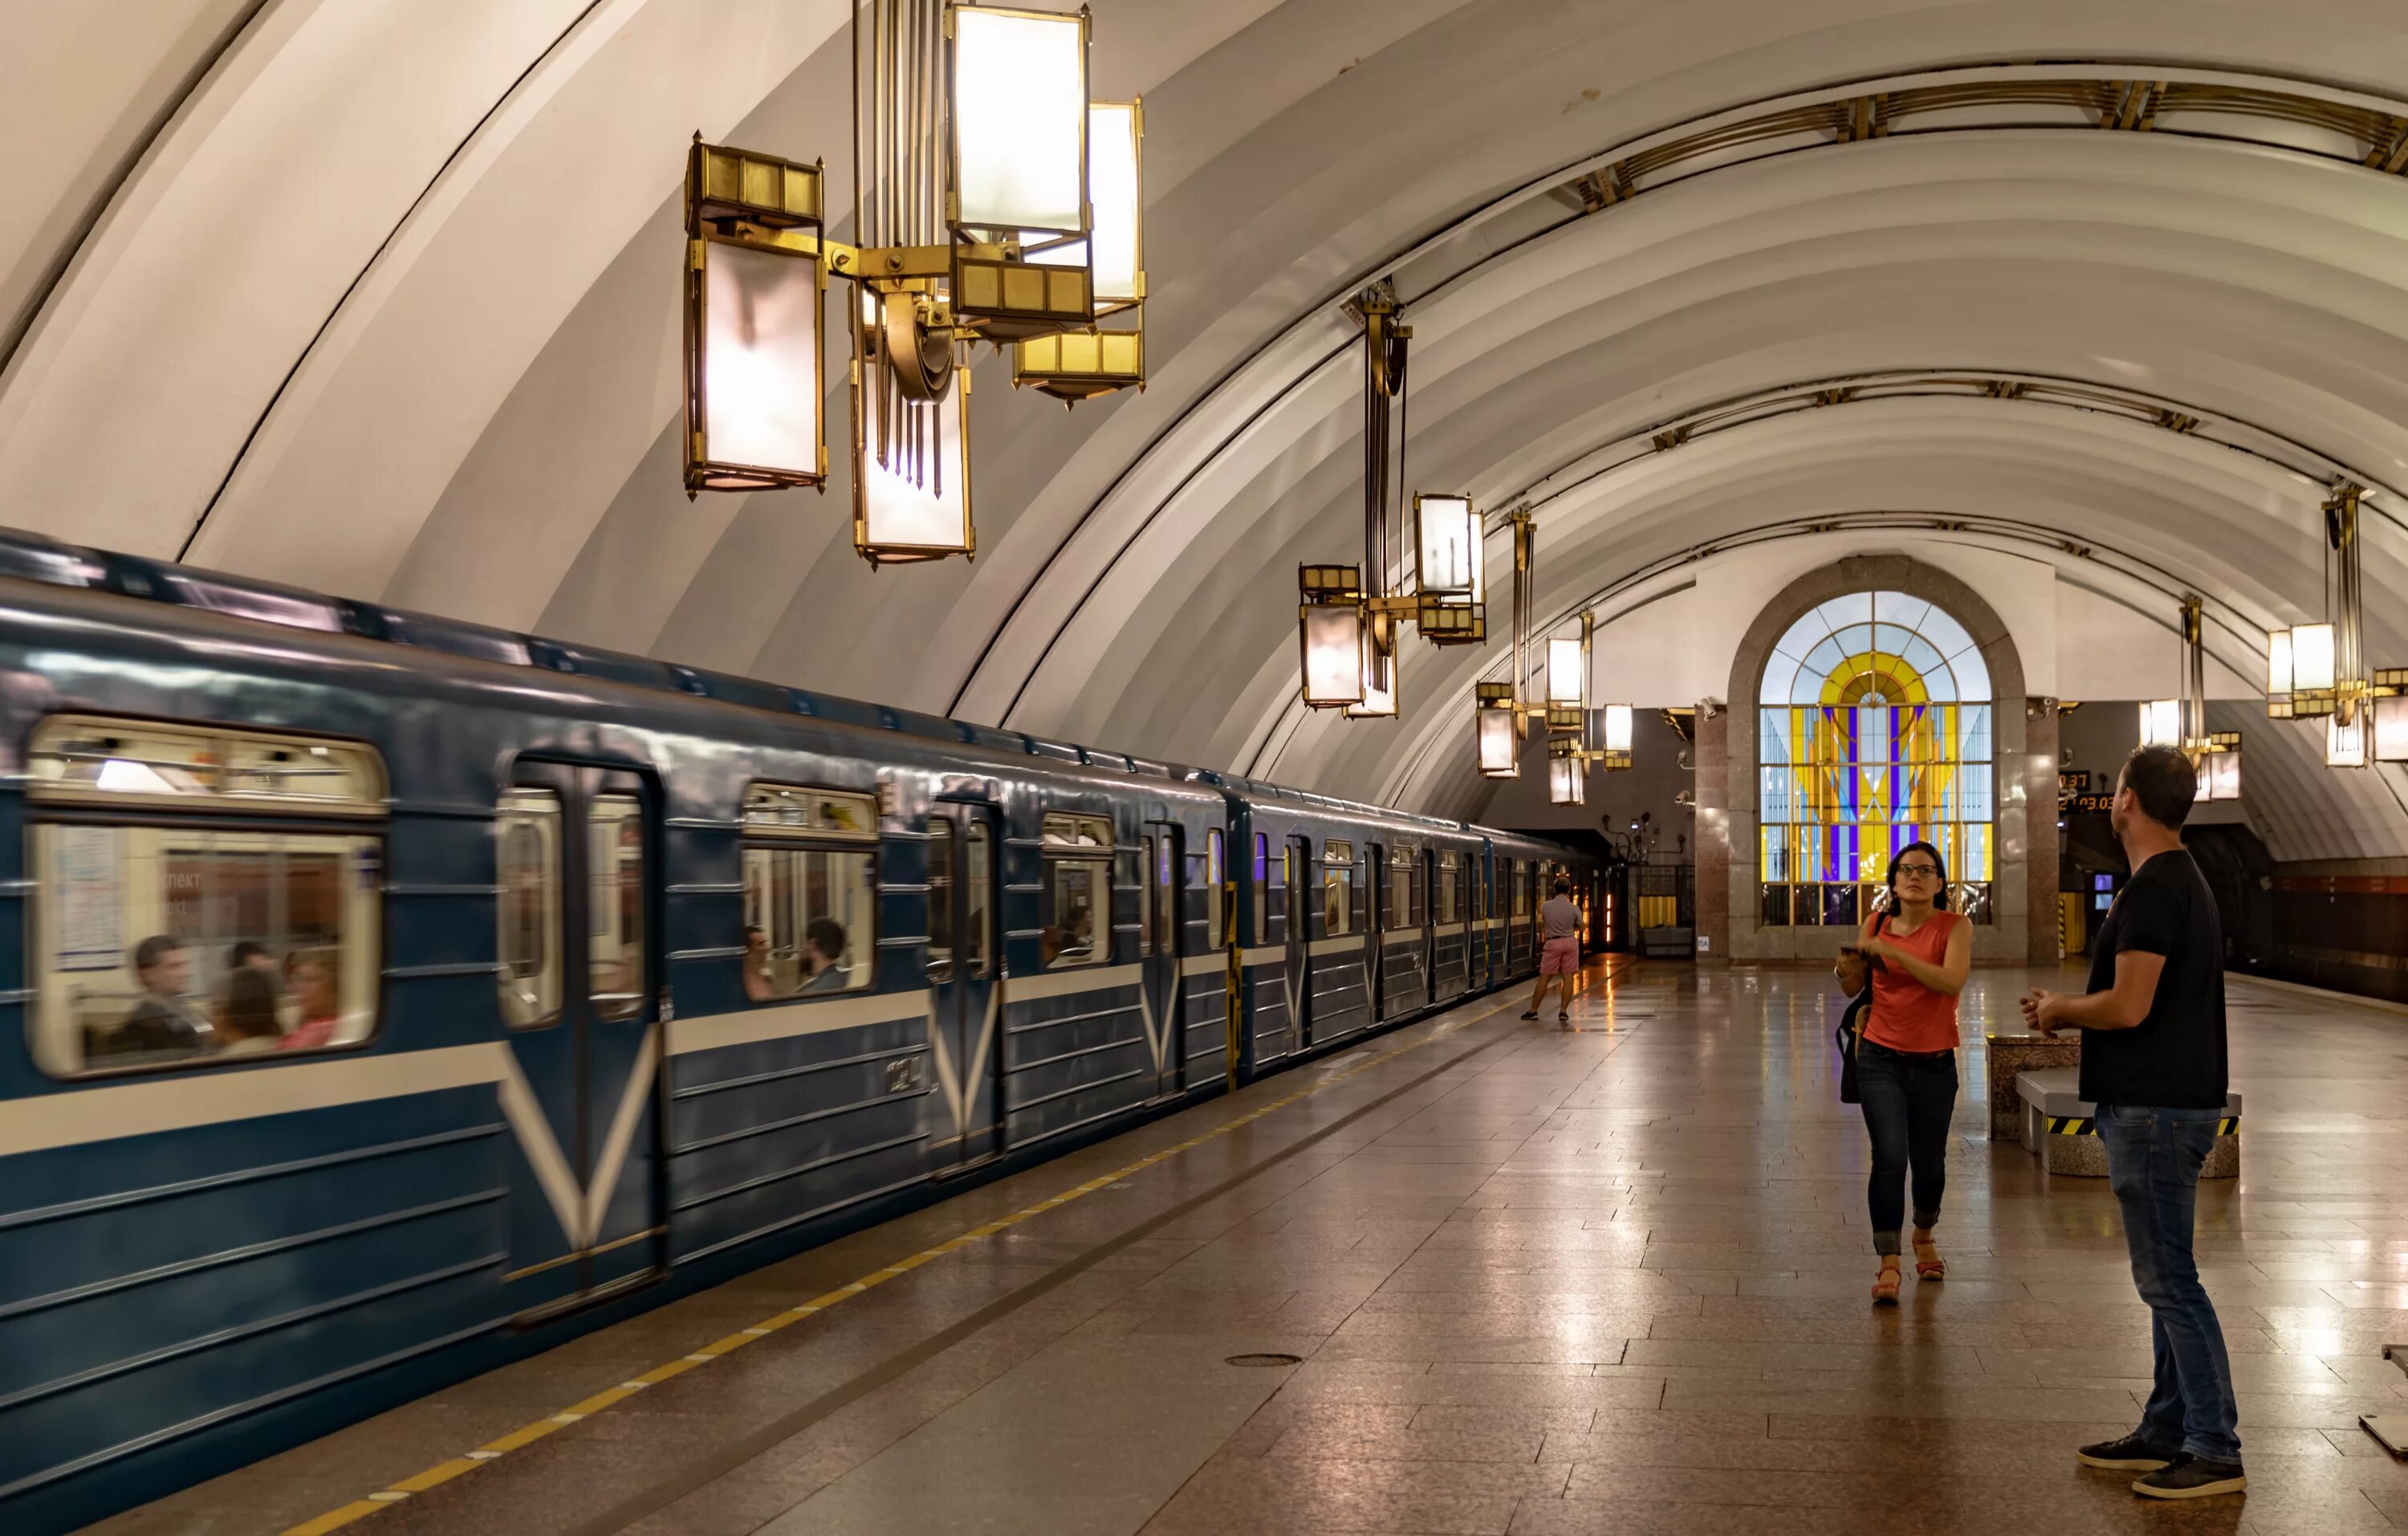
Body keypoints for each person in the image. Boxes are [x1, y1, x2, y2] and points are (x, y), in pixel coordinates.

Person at [2024, 744, 2243, 1501]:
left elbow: (2128, 1006)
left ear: (2127, 801)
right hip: (2168, 1104)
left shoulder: (2155, 889)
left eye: (2115, 788)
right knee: (2166, 1279)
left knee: (2170, 1281)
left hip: (2155, 1110)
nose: (2111, 799)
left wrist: (2058, 1010)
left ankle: (2214, 1446)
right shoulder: (2181, 879)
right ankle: (2166, 1427)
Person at [1841, 840, 1971, 1305]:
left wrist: (1894, 956)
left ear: (1939, 883)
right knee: (1891, 1157)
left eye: (1925, 870)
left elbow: (1950, 982)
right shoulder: (1875, 924)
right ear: (1893, 882)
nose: (1914, 876)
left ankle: (1924, 1233)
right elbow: (1856, 984)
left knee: (1930, 1164)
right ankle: (1889, 1260)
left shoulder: (1956, 927)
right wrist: (1847, 968)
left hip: (1936, 1063)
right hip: (1880, 1058)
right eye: (1906, 869)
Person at [116, 935, 211, 1057]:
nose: (185, 973)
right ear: (149, 974)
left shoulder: (181, 1010)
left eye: (184, 965)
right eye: (175, 967)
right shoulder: (146, 1023)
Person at [1522, 877, 1582, 1023]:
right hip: (1569, 942)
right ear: (1568, 891)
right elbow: (1581, 928)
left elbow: (1545, 920)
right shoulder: (1574, 908)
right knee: (1568, 978)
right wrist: (1570, 927)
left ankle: (1534, 1011)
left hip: (1553, 943)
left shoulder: (1546, 906)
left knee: (1545, 977)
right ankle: (1563, 1012)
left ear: (1554, 890)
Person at [279, 950, 342, 1051]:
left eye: (309, 980)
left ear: (334, 988)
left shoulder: (320, 1030)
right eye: (298, 980)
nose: (299, 987)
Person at [215, 965, 284, 1056]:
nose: (212, 1018)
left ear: (226, 1014)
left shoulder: (228, 1059)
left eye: (216, 1008)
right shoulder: (280, 1046)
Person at [799, 917, 849, 993]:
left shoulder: (815, 992)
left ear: (812, 944)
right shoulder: (846, 979)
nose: (802, 949)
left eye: (804, 943)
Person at [741, 924, 775, 1002]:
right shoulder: (740, 982)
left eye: (765, 943)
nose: (767, 948)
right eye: (760, 944)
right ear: (747, 950)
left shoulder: (767, 977)